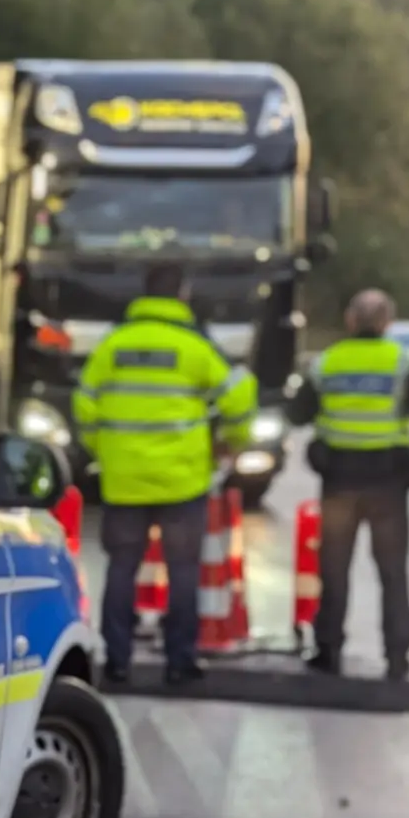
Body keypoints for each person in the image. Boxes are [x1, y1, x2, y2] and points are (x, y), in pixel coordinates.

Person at [75, 264, 258, 685]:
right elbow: (240, 394)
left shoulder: (113, 345)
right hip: (182, 481)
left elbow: (84, 406)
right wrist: (231, 442)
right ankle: (180, 661)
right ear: (183, 294)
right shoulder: (193, 346)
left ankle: (117, 661)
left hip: (124, 481)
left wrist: (103, 450)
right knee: (183, 570)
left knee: (122, 568)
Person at [286, 289, 409, 681]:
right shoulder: (404, 363)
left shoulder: (326, 364)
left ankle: (328, 652)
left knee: (334, 572)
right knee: (392, 574)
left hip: (339, 482)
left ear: (349, 321)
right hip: (389, 485)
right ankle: (397, 658)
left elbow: (298, 414)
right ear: (388, 322)